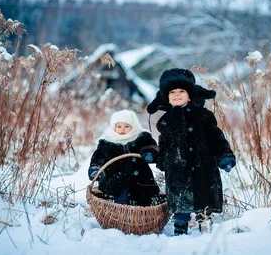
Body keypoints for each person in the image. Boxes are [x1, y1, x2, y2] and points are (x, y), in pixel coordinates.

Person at [147, 68, 236, 235]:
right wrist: (161, 161)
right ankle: (180, 228)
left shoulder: (203, 115)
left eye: (182, 91)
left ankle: (205, 225)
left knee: (204, 199)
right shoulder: (165, 121)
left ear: (190, 94)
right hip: (177, 169)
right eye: (172, 92)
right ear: (166, 96)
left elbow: (216, 138)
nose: (177, 94)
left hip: (203, 166)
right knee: (180, 201)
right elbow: (164, 144)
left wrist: (224, 156)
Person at [88, 110, 160, 206]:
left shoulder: (142, 139)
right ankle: (121, 211)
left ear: (133, 126)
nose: (122, 129)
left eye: (127, 126)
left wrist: (150, 153)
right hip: (116, 178)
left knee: (143, 197)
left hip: (140, 179)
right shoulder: (108, 142)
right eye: (119, 126)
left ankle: (141, 213)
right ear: (114, 127)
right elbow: (98, 157)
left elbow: (153, 146)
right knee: (120, 195)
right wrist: (96, 169)